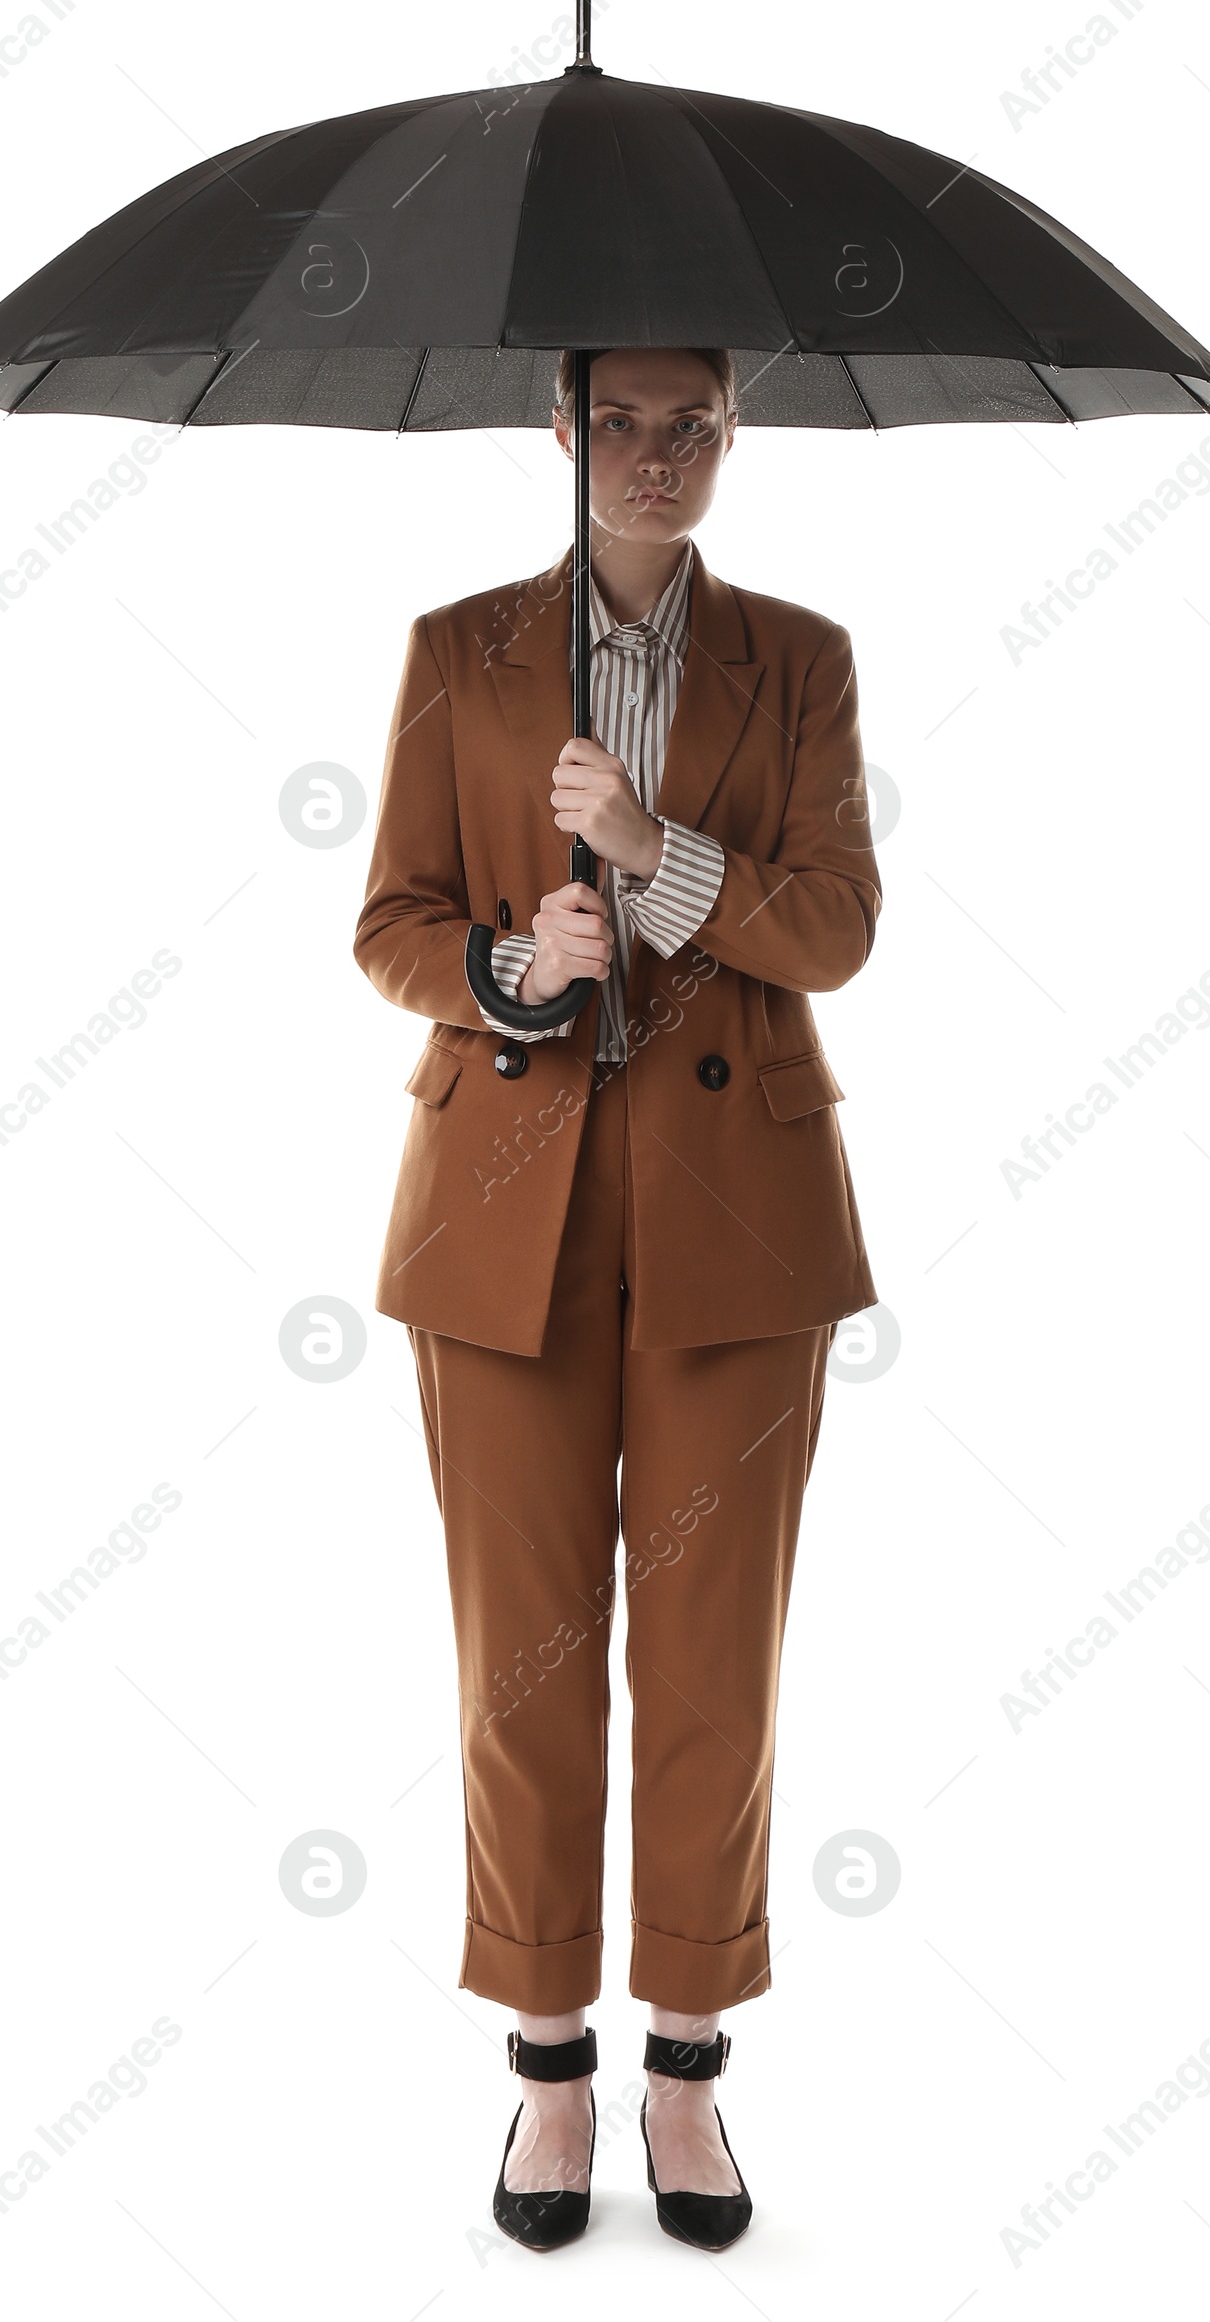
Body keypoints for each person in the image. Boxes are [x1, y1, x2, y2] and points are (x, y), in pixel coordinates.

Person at [354, 344, 882, 2251]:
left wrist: (659, 861)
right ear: (560, 426)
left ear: (735, 430)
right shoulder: (461, 649)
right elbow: (389, 920)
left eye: (697, 426)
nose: (660, 460)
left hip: (740, 1212)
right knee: (525, 1655)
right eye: (626, 423)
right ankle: (551, 2068)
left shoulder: (800, 656)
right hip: (503, 1210)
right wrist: (514, 961)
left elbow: (834, 921)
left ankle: (687, 2063)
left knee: (713, 1655)